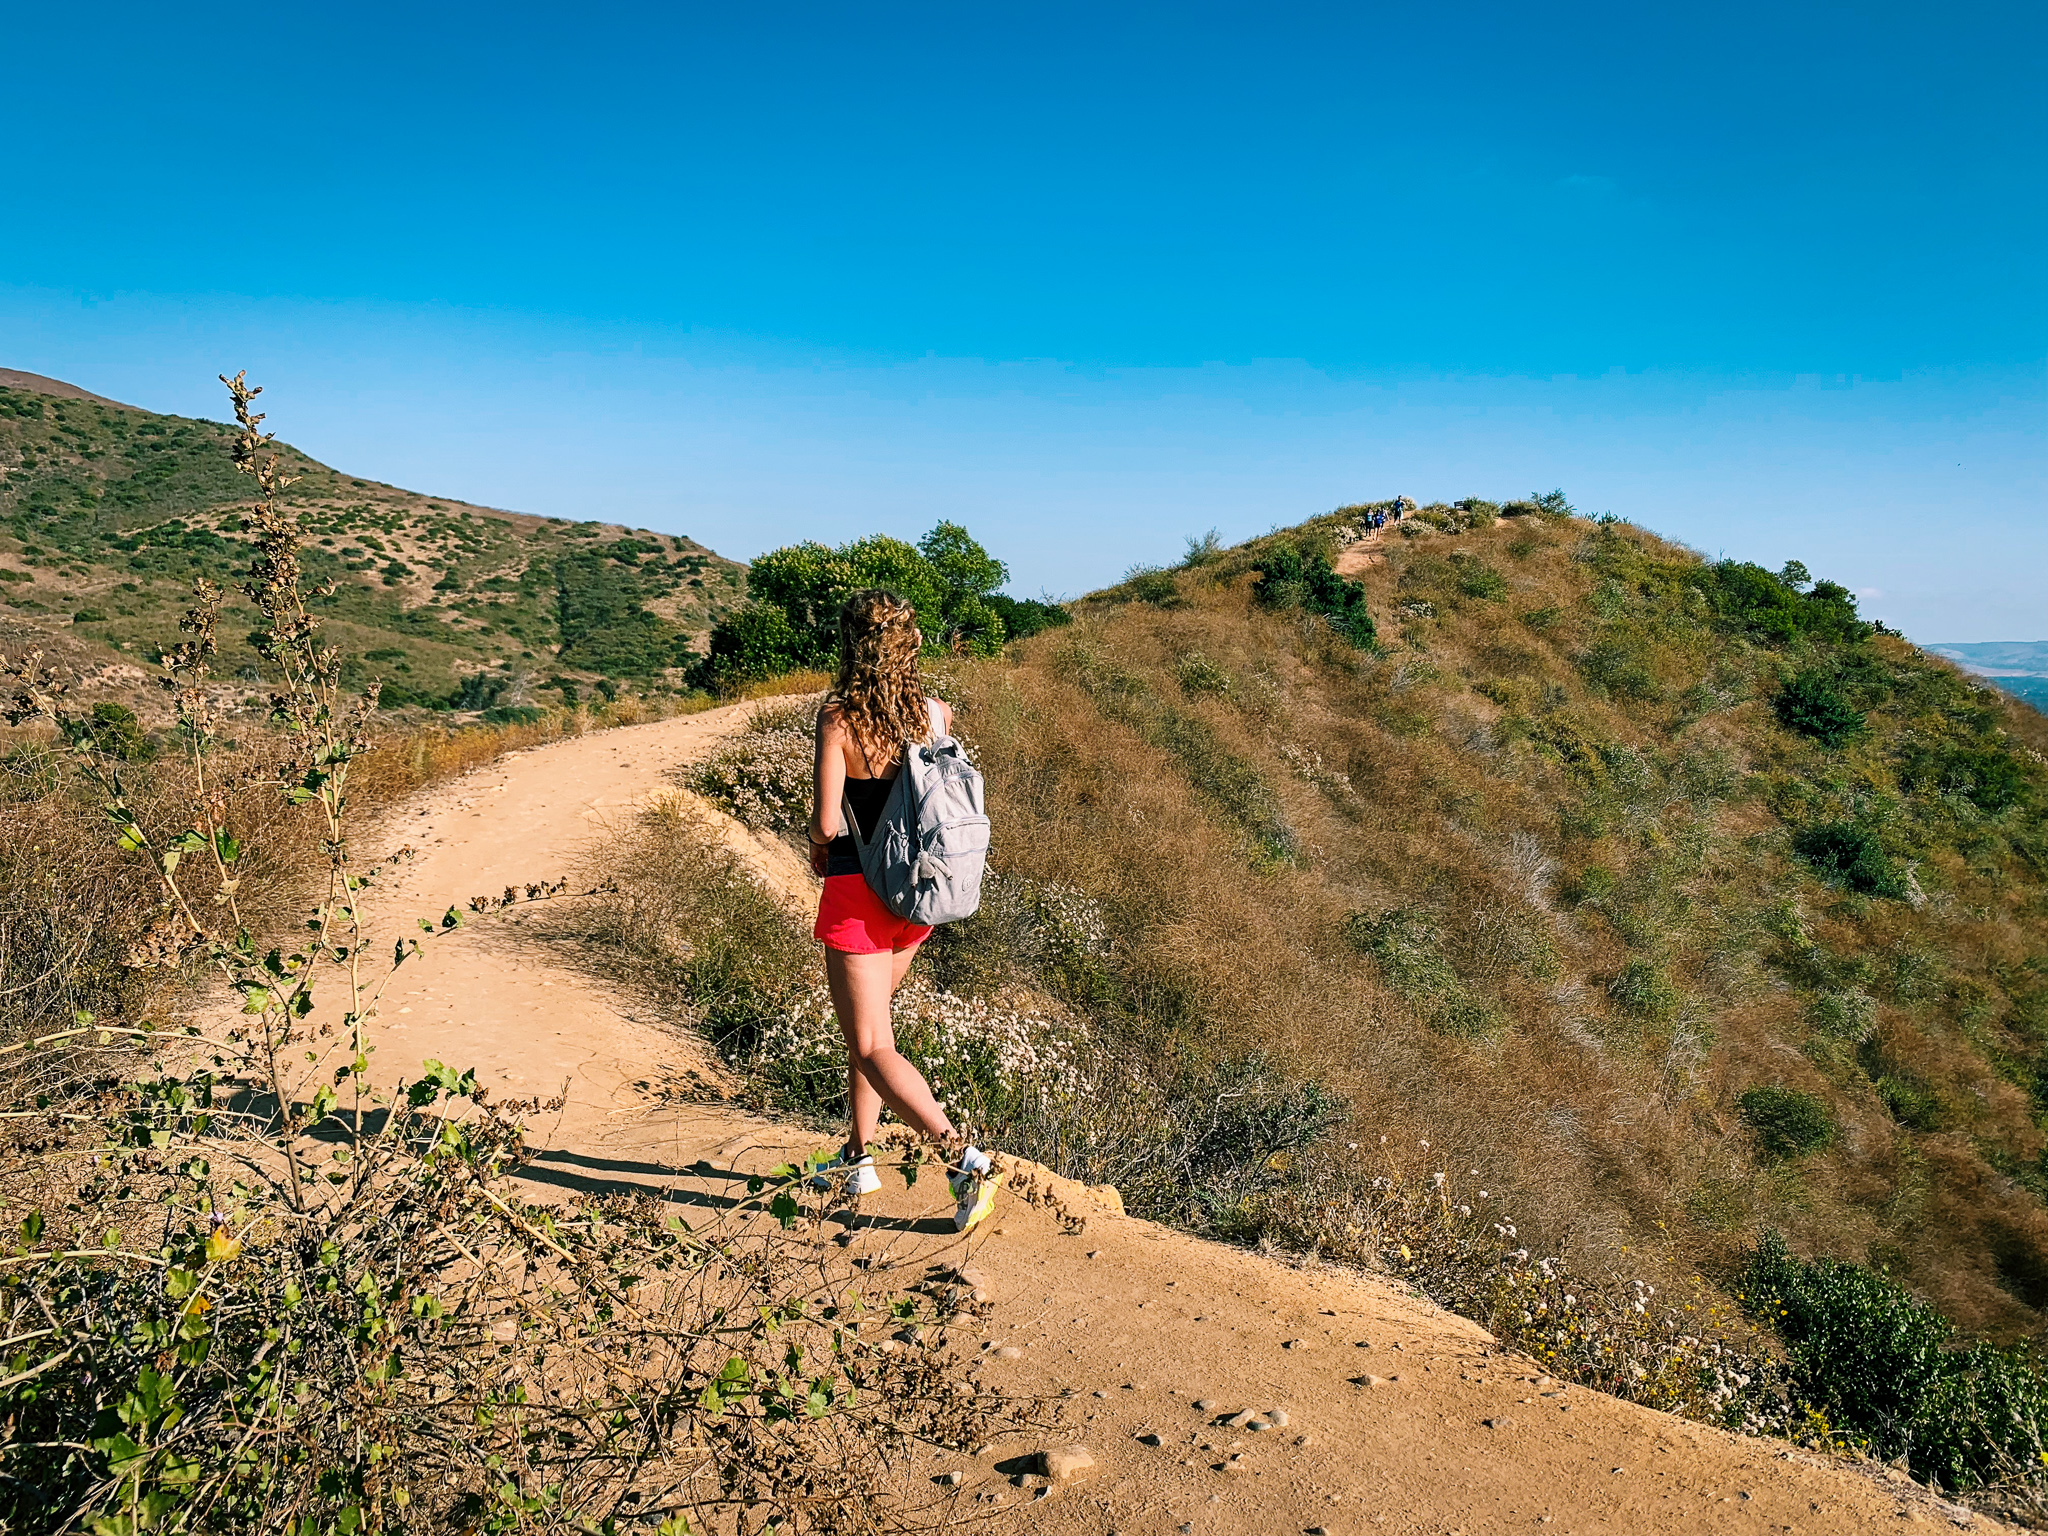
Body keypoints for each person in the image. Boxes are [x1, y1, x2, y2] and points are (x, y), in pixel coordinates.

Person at [804, 588, 1000, 1231]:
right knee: (872, 1034)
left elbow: (828, 821)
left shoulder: (839, 719)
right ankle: (857, 1157)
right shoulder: (935, 714)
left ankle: (962, 1159)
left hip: (858, 895)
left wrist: (814, 846)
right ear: (910, 644)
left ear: (852, 645)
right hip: (915, 895)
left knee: (868, 1042)